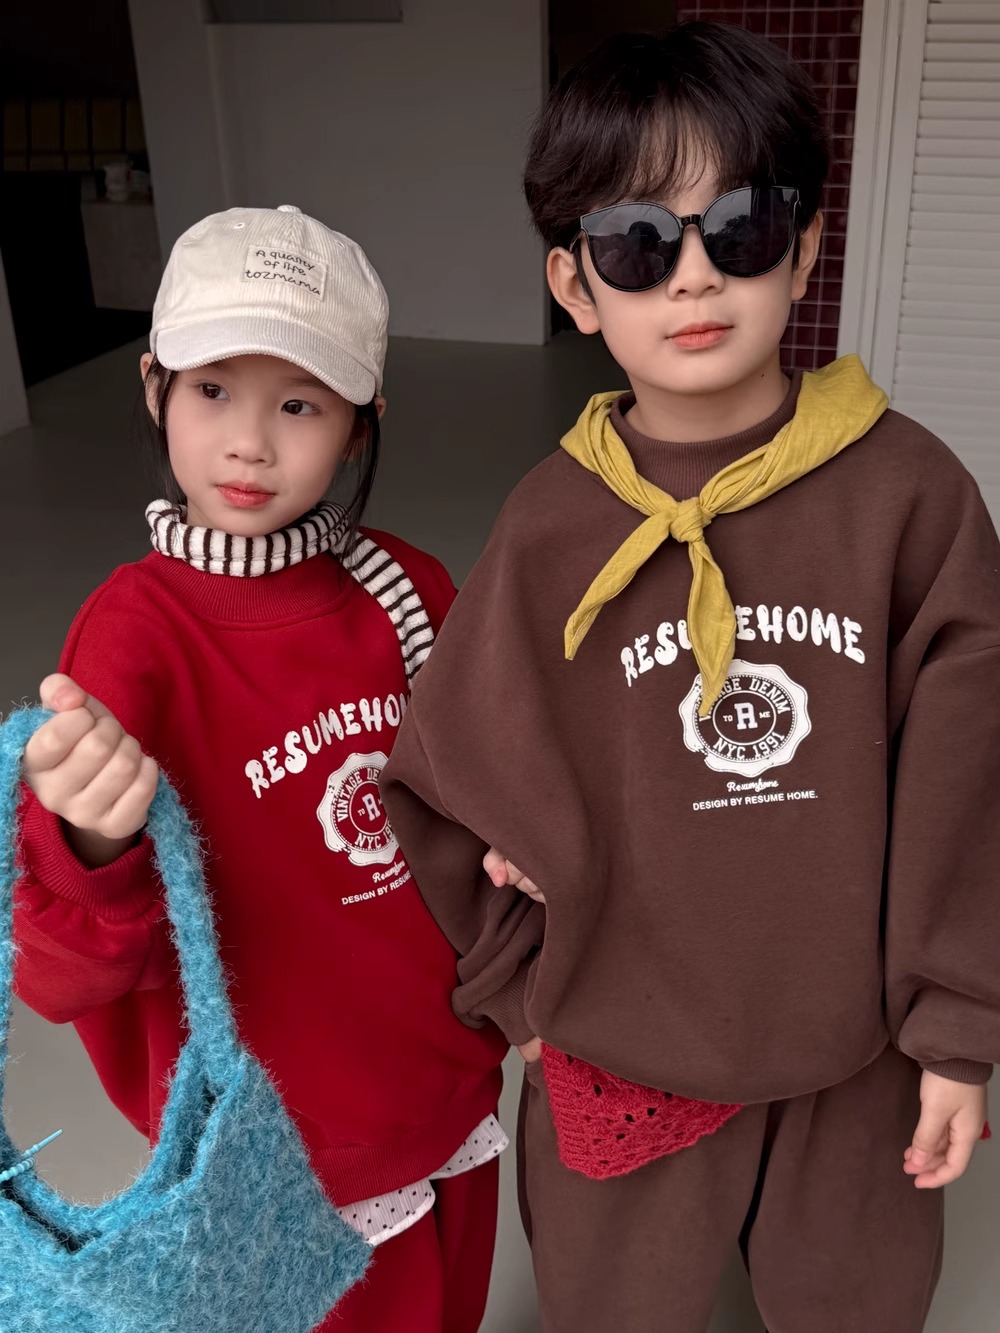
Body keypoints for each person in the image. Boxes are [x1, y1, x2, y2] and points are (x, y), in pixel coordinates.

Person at [380, 23, 999, 1333]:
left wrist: (956, 1030)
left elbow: (971, 784)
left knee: (858, 1307)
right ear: (574, 283)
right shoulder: (550, 528)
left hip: (857, 1051)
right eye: (637, 244)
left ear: (808, 247)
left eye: (742, 227)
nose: (695, 276)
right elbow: (440, 777)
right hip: (625, 1041)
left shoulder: (912, 498)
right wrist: (516, 988)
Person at [15, 204, 507, 1333]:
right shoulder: (131, 638)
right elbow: (58, 971)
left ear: (361, 427)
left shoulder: (409, 590)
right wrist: (92, 836)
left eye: (299, 403)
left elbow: (484, 808)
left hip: (437, 1081)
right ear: (154, 389)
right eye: (212, 390)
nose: (249, 442)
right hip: (277, 1143)